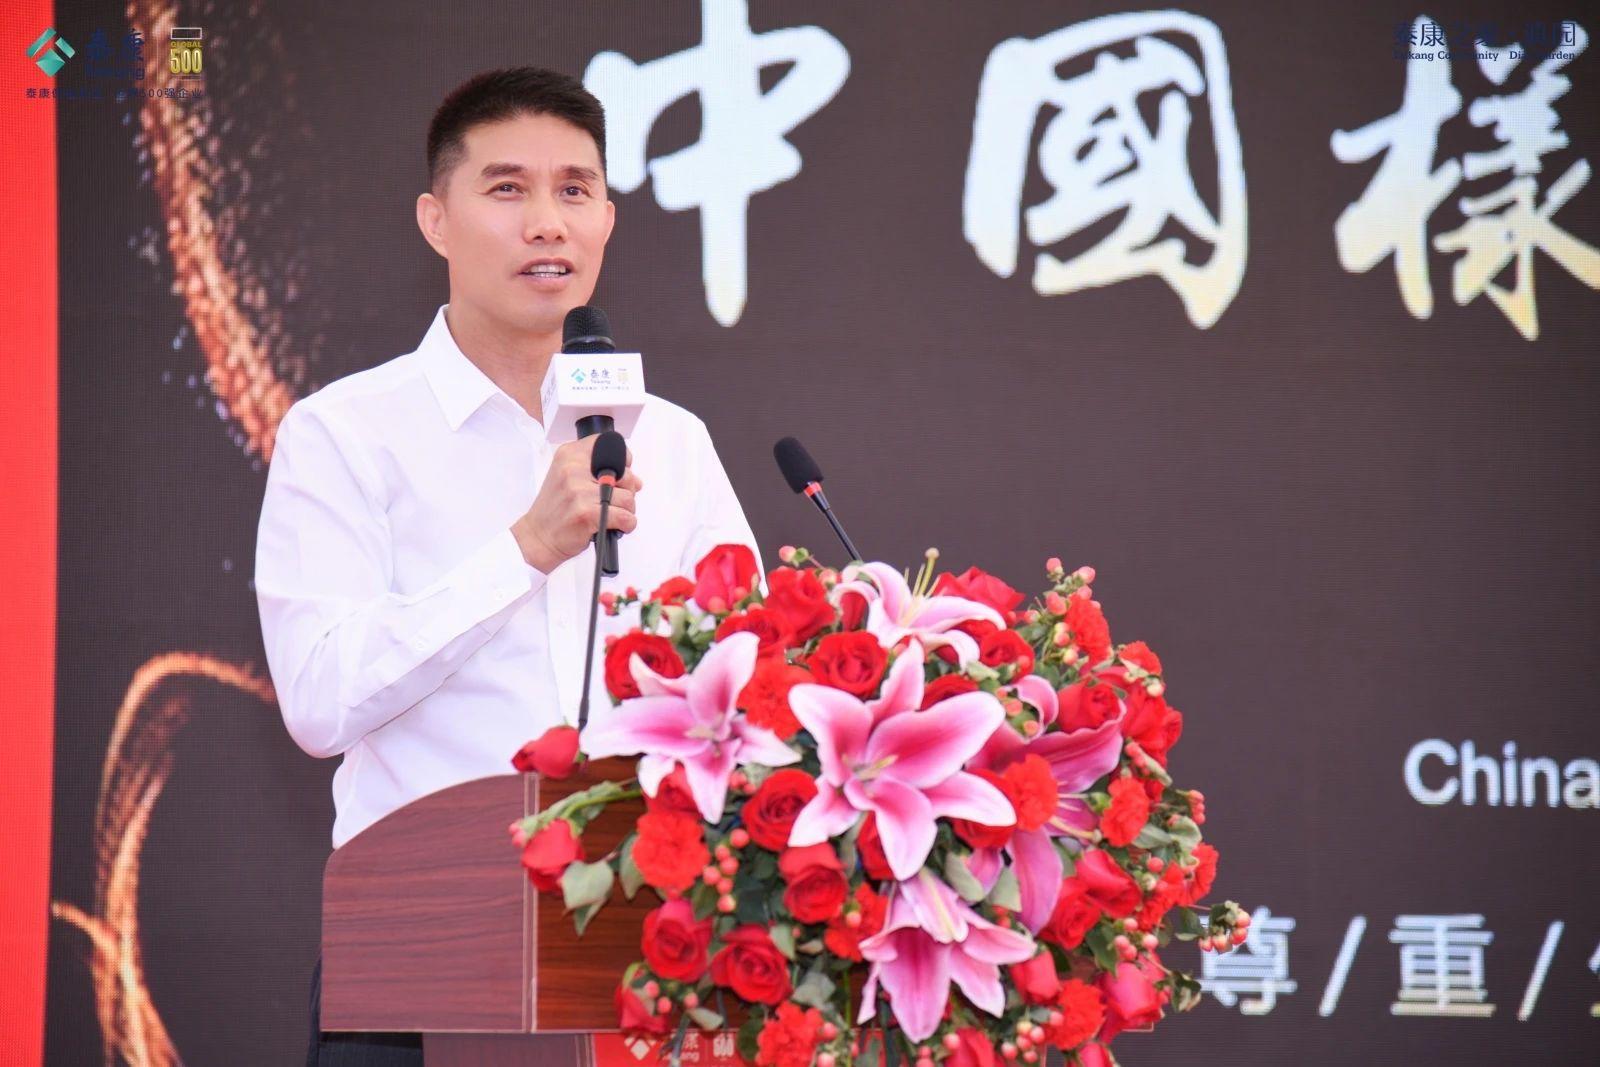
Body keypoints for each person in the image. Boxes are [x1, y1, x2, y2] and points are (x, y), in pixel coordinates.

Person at [253, 67, 761, 1066]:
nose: (546, 223)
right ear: (435, 220)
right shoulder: (345, 432)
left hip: (646, 957)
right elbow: (318, 699)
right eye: (507, 189)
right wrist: (523, 552)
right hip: (416, 956)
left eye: (574, 190)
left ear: (607, 220)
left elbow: (748, 678)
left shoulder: (673, 439)